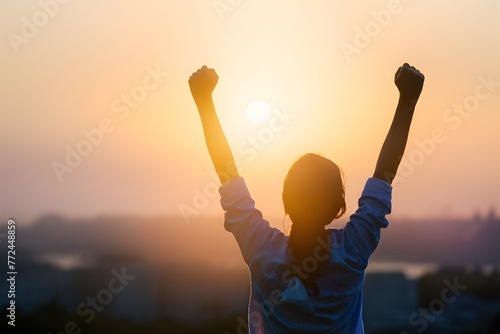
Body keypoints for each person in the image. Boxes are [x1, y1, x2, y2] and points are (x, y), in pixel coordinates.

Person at [189, 63, 424, 333]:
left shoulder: (262, 250)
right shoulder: (352, 250)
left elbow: (227, 173)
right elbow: (384, 175)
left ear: (286, 201)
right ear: (339, 207)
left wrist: (204, 102)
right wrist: (408, 100)